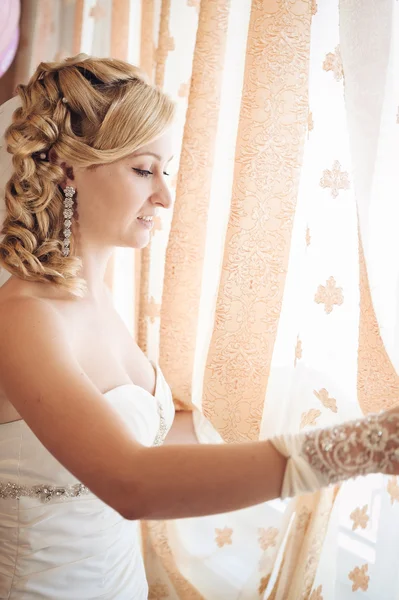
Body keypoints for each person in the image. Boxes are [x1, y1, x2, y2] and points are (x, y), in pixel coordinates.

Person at [0, 55, 398, 600]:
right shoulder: (22, 320)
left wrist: (307, 399)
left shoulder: (98, 301)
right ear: (65, 168)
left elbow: (155, 435)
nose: (164, 195)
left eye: (166, 170)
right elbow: (132, 482)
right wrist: (362, 446)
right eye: (144, 170)